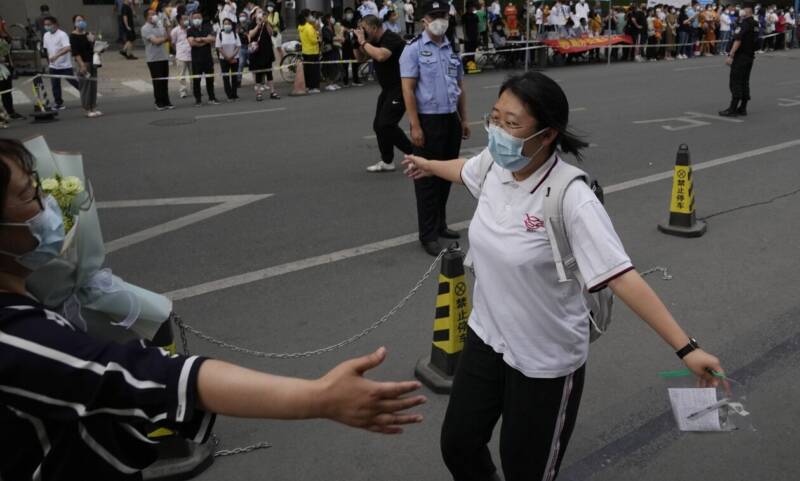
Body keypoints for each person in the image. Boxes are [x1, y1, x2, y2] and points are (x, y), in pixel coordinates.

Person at [0, 138, 427, 481]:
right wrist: (317, 398)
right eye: (29, 195)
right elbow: (145, 375)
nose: (46, 204)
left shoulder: (26, 303)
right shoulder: (16, 337)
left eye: (42, 187)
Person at [401, 70, 726, 481]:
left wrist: (687, 349)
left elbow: (622, 277)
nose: (498, 130)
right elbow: (466, 168)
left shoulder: (572, 198)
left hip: (544, 361)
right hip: (487, 338)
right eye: (495, 117)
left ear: (547, 134)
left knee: (527, 470)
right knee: (459, 444)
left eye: (512, 123)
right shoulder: (494, 167)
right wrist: (427, 164)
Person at [400, 0, 470, 256]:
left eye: (444, 15)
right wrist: (415, 125)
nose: (441, 19)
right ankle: (428, 235)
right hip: (427, 121)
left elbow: (460, 87)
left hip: (450, 118)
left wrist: (464, 119)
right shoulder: (414, 50)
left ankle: (440, 224)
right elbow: (407, 89)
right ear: (424, 21)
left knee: (446, 176)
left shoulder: (452, 50)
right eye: (435, 15)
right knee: (426, 180)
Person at [354, 15, 413, 173]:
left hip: (401, 88)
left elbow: (381, 55)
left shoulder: (390, 38)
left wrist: (363, 42)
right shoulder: (372, 42)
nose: (363, 32)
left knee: (386, 124)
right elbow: (360, 59)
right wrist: (355, 42)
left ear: (374, 28)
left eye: (364, 29)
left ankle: (415, 154)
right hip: (387, 89)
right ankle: (387, 162)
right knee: (378, 126)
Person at [720, 2, 758, 117]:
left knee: (735, 82)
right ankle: (743, 107)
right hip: (750, 56)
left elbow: (738, 40)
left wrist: (731, 55)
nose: (740, 10)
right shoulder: (755, 23)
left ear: (748, 10)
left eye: (742, 9)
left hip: (741, 56)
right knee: (744, 82)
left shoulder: (745, 24)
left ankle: (733, 108)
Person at [42, 16, 80, 111]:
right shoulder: (46, 35)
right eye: (45, 25)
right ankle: (59, 103)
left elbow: (68, 48)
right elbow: (47, 49)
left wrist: (56, 56)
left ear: (55, 24)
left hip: (65, 65)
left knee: (73, 82)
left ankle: (87, 95)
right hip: (53, 66)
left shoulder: (62, 35)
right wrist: (49, 62)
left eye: (49, 24)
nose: (47, 26)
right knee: (55, 85)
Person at [69, 15, 101, 118]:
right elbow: (76, 53)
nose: (81, 22)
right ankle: (87, 109)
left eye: (82, 20)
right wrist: (81, 65)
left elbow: (94, 48)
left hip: (92, 62)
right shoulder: (73, 36)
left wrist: (93, 41)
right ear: (74, 23)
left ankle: (93, 107)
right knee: (85, 86)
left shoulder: (88, 34)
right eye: (78, 20)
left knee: (93, 86)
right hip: (83, 63)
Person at [141, 9, 174, 111]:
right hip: (153, 59)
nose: (154, 16)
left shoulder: (159, 25)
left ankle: (166, 101)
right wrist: (165, 38)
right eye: (152, 14)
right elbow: (155, 41)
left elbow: (169, 37)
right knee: (157, 82)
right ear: (147, 17)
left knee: (164, 81)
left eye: (155, 14)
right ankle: (159, 102)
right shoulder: (145, 28)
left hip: (163, 56)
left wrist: (167, 26)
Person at [187, 11, 219, 106]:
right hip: (196, 60)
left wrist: (200, 39)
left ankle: (212, 97)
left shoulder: (207, 27)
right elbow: (192, 43)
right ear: (192, 19)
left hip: (208, 59)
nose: (197, 19)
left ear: (201, 18)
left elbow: (213, 39)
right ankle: (198, 99)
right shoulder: (190, 30)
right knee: (196, 81)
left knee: (210, 79)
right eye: (195, 18)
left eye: (198, 17)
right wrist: (206, 40)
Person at [249, 8, 278, 100]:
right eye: (259, 12)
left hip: (267, 51)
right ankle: (259, 93)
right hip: (257, 52)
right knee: (258, 74)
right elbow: (250, 35)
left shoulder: (266, 23)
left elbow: (271, 33)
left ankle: (272, 92)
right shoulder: (252, 23)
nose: (261, 13)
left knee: (269, 73)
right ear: (255, 14)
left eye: (262, 12)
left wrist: (266, 23)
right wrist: (258, 25)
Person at [0, 17, 24, 121]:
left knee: (7, 90)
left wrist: (10, 63)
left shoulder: (4, 35)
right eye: (2, 22)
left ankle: (10, 111)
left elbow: (8, 50)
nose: (4, 23)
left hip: (6, 66)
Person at [216, 17, 241, 101]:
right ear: (223, 25)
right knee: (226, 78)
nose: (227, 25)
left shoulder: (235, 34)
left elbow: (238, 46)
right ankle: (229, 95)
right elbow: (219, 48)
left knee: (234, 77)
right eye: (225, 24)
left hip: (235, 58)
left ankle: (234, 94)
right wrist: (227, 58)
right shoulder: (220, 34)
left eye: (229, 24)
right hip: (224, 59)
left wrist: (232, 56)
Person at [298, 9, 321, 94]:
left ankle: (308, 86)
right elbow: (313, 40)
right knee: (314, 70)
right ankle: (314, 87)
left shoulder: (300, 26)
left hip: (305, 51)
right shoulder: (309, 27)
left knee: (307, 70)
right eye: (310, 15)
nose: (311, 17)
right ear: (306, 17)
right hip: (313, 51)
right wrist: (318, 38)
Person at [171, 14, 193, 99]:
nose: (186, 21)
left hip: (191, 55)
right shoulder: (175, 31)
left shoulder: (191, 29)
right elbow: (173, 43)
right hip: (181, 56)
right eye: (184, 19)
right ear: (179, 21)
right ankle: (183, 91)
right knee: (181, 75)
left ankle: (195, 90)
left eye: (187, 19)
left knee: (193, 74)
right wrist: (178, 51)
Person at [341, 9, 364, 87]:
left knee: (355, 63)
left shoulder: (355, 22)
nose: (349, 14)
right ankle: (345, 81)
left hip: (354, 46)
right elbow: (340, 33)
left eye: (350, 13)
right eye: (347, 13)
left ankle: (356, 80)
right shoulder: (342, 22)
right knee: (345, 64)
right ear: (345, 14)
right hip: (345, 46)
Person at [462, 2, 480, 71]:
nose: (472, 8)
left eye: (473, 7)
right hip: (468, 35)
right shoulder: (464, 16)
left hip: (474, 34)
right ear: (468, 8)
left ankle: (472, 63)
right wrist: (465, 36)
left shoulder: (475, 16)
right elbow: (463, 27)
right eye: (471, 7)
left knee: (473, 50)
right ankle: (468, 64)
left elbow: (477, 26)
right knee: (468, 50)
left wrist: (478, 34)